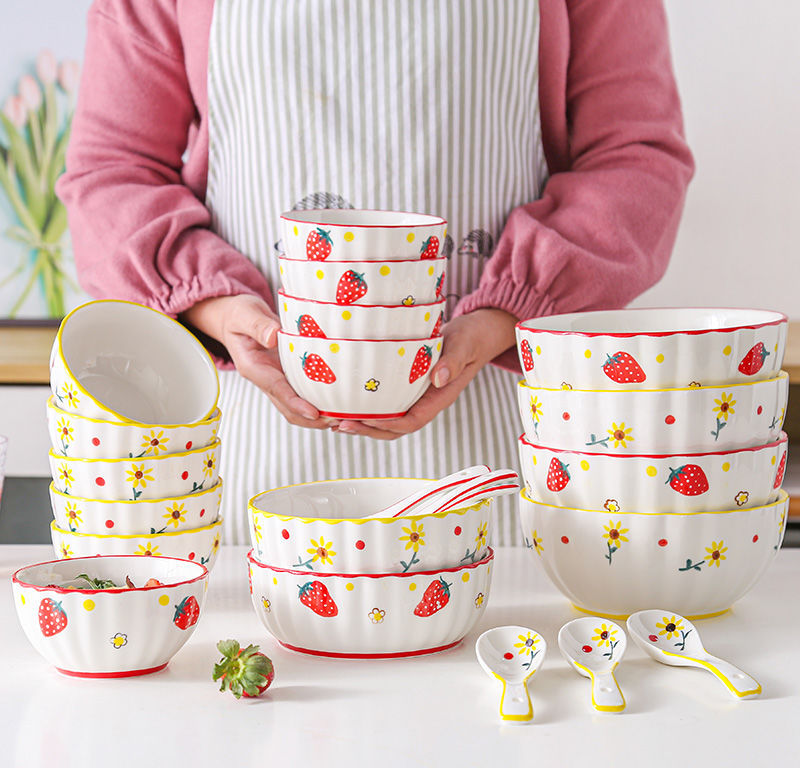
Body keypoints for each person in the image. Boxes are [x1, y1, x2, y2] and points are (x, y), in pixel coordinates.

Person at [58, 0, 694, 544]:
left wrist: (504, 314)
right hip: (254, 437)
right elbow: (112, 172)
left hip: (496, 435)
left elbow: (636, 158)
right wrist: (219, 309)